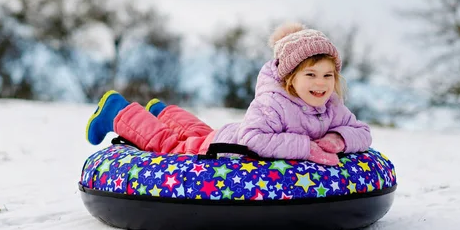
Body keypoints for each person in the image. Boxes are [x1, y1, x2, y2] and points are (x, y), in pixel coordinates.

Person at [85, 22, 372, 166]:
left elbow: (361, 131)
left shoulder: (331, 106)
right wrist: (307, 148)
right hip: (224, 147)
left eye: (327, 76)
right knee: (171, 145)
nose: (320, 84)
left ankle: (162, 112)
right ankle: (117, 112)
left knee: (196, 132)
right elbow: (253, 139)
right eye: (310, 75)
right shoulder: (273, 103)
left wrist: (338, 139)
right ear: (290, 79)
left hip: (226, 134)